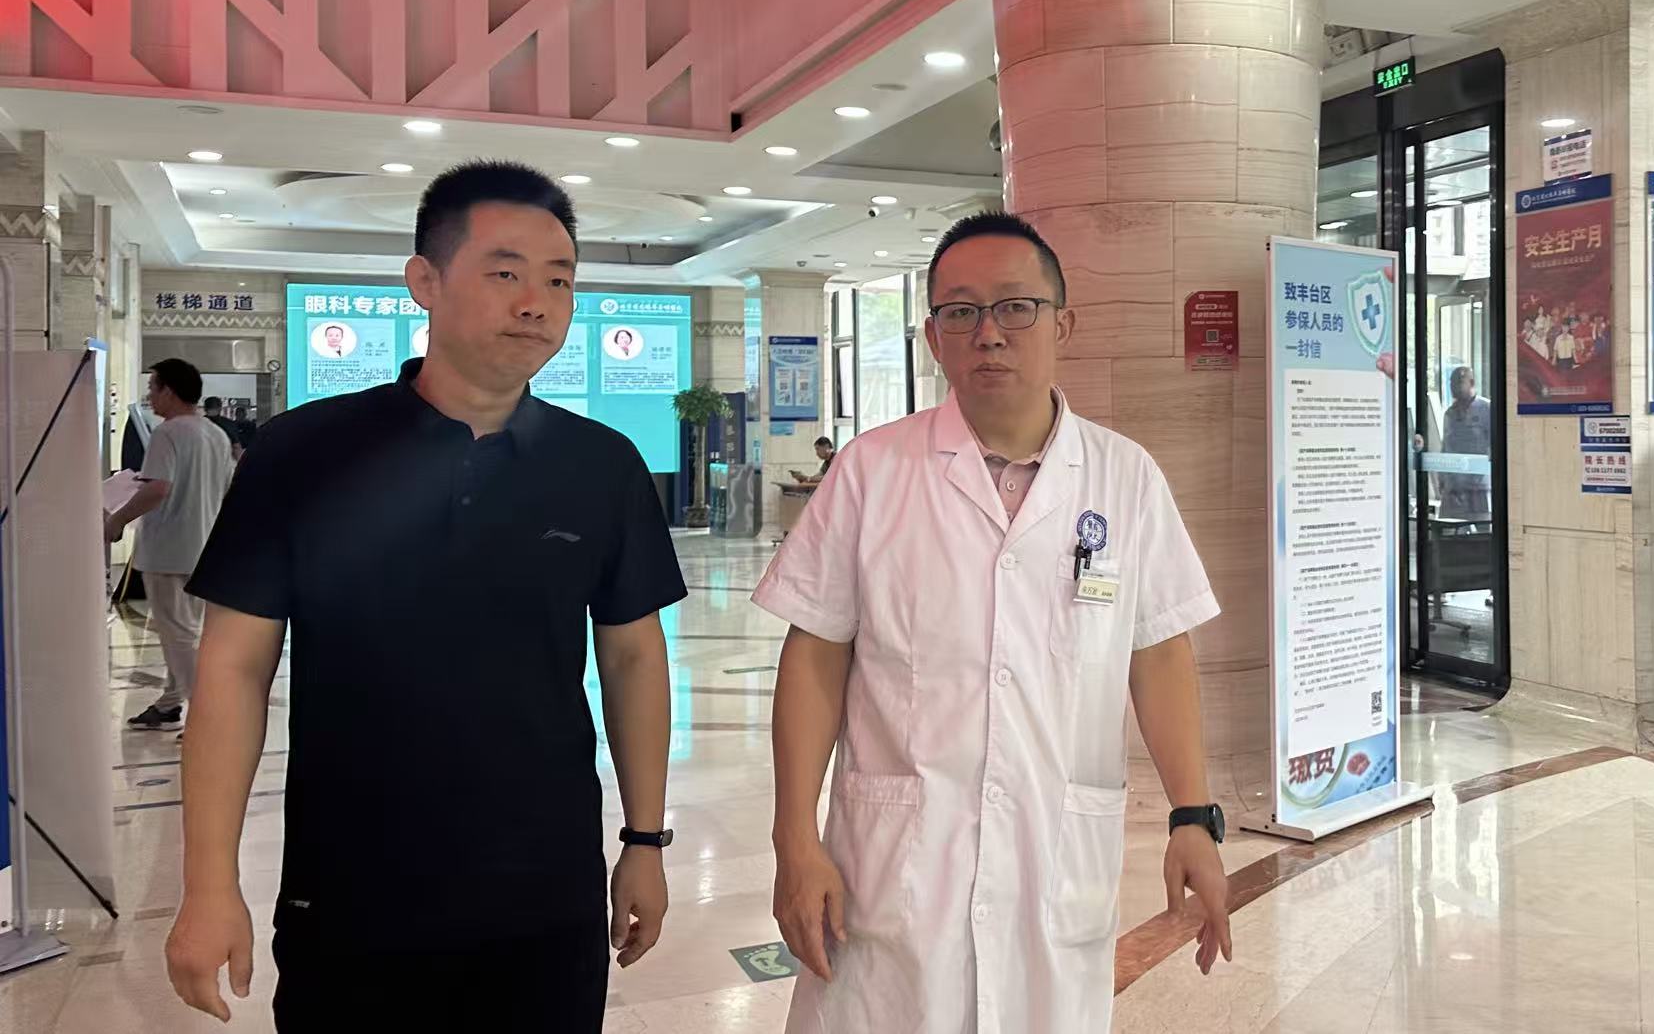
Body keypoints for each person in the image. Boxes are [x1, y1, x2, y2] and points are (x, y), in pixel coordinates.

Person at [165, 161, 685, 1031]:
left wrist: (643, 840)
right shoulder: (305, 453)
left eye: (559, 281)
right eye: (505, 272)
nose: (537, 303)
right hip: (352, 896)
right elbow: (232, 669)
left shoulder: (601, 466)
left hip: (543, 897)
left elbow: (633, 655)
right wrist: (209, 883)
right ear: (424, 281)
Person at [760, 210, 1231, 1032]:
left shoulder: (1124, 477)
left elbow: (1158, 652)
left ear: (1062, 324)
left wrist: (1192, 815)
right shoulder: (873, 470)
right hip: (895, 868)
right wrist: (794, 838)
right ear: (932, 337)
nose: (989, 333)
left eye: (1016, 306)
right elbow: (814, 654)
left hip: (1053, 863)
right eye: (960, 311)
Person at [106, 360, 235, 731]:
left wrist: (117, 520)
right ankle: (169, 704)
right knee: (186, 632)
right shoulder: (215, 434)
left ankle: (207, 719)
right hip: (202, 548)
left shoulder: (168, 433)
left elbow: (159, 489)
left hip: (168, 550)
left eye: (153, 388)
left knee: (178, 637)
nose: (150, 396)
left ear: (170, 390)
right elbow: (228, 487)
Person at [1435, 365, 1493, 521]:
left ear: (1472, 383)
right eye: (1451, 382)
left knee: (1482, 531)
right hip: (1453, 487)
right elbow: (1445, 447)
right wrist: (1441, 477)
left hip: (1478, 488)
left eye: (1459, 381)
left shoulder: (1487, 409)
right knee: (1448, 529)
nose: (1453, 386)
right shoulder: (1449, 414)